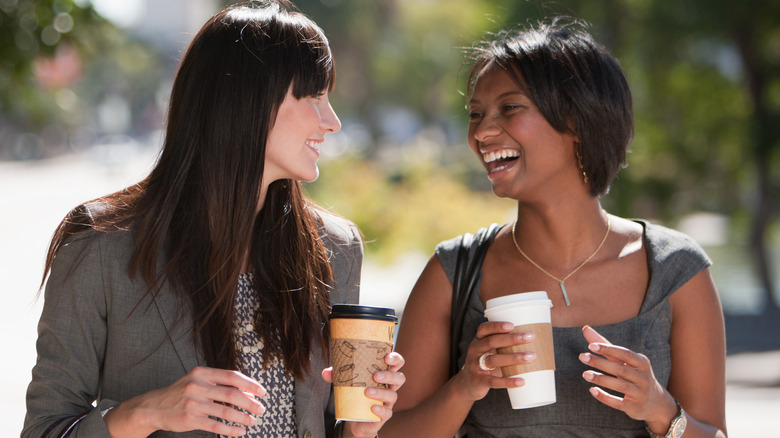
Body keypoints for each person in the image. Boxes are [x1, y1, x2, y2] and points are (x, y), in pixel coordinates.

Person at [23, 2, 405, 437]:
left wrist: (358, 429)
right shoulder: (101, 243)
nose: (332, 121)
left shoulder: (335, 247)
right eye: (315, 96)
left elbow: (322, 423)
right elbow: (44, 429)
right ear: (249, 99)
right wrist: (143, 414)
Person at [383, 19, 726, 438]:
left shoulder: (675, 271)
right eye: (476, 114)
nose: (482, 132)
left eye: (509, 108)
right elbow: (385, 434)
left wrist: (661, 410)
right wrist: (464, 388)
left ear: (578, 122)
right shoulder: (454, 273)